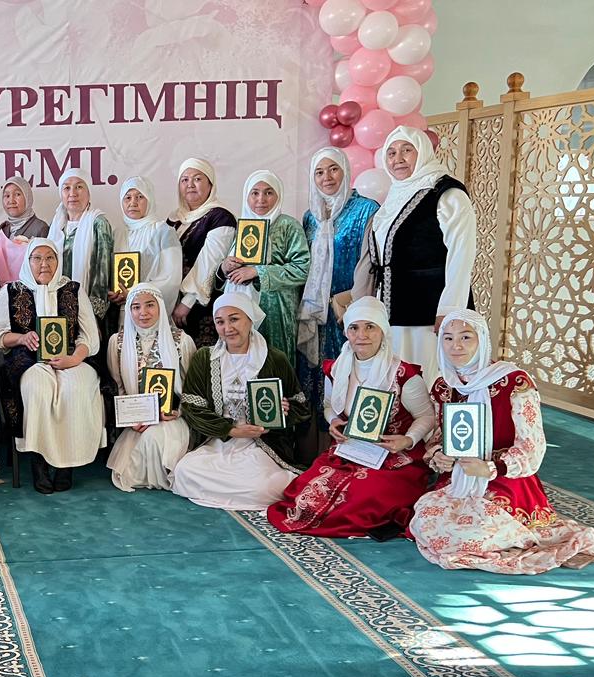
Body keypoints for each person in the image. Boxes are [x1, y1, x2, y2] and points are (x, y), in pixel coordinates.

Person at [409, 310, 594, 573]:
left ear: (482, 339)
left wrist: (491, 468)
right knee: (426, 519)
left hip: (506, 480)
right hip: (459, 479)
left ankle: (510, 537)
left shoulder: (514, 382)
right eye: (448, 338)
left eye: (466, 337)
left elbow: (532, 447)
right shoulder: (445, 386)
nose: (456, 346)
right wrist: (438, 456)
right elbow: (439, 438)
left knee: (475, 532)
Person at [267, 297, 433, 537]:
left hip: (395, 456)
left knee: (361, 495)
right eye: (354, 328)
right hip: (351, 449)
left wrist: (407, 440)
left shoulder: (404, 374)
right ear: (346, 332)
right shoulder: (337, 369)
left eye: (370, 327)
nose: (361, 335)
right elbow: (329, 406)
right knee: (307, 491)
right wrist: (333, 421)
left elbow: (426, 416)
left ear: (382, 331)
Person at [353, 126, 478, 379]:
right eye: (391, 153)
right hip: (392, 309)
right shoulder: (395, 195)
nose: (398, 159)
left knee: (428, 377)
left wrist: (450, 309)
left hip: (429, 311)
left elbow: (462, 253)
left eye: (407, 150)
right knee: (397, 379)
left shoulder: (446, 193)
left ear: (422, 152)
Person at [0, 238, 105, 493]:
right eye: (37, 258)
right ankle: (39, 462)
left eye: (50, 258)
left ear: (58, 261)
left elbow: (90, 337)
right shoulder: (11, 291)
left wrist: (75, 359)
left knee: (77, 387)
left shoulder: (73, 289)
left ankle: (66, 465)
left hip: (71, 358)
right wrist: (21, 338)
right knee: (39, 388)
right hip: (28, 360)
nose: (44, 264)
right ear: (27, 262)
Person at [171, 293, 310, 510]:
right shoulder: (204, 358)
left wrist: (283, 411)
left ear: (250, 319)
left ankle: (232, 491)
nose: (228, 328)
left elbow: (300, 405)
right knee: (184, 471)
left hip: (260, 445)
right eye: (220, 322)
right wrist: (231, 430)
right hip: (219, 441)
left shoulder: (274, 358)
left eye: (234, 319)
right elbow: (192, 407)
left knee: (264, 487)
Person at [295, 149, 381, 440]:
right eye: (319, 172)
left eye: (333, 169)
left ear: (345, 170)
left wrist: (354, 305)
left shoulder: (366, 209)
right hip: (315, 310)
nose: (327, 178)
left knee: (347, 370)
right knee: (314, 374)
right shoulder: (311, 215)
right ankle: (315, 448)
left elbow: (369, 261)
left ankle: (350, 443)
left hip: (347, 307)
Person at [106, 283, 196, 492]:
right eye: (136, 307)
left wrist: (177, 411)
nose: (143, 313)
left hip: (173, 418)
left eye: (149, 305)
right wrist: (130, 418)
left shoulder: (182, 341)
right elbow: (118, 386)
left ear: (160, 307)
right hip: (137, 421)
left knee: (153, 440)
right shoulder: (117, 342)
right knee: (129, 469)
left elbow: (192, 388)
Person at [216, 170, 310, 366]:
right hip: (239, 310)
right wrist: (225, 267)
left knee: (273, 363)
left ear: (278, 195)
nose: (261, 199)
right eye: (255, 193)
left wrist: (258, 271)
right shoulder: (242, 227)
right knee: (240, 363)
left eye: (268, 192)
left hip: (275, 310)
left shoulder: (288, 226)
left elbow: (302, 269)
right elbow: (228, 276)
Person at [169, 158, 237, 348]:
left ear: (210, 184)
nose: (190, 185)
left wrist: (187, 302)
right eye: (184, 180)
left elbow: (209, 262)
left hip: (200, 305)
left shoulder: (221, 217)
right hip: (172, 302)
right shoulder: (174, 219)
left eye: (197, 179)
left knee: (202, 356)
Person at [47, 168, 114, 322]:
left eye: (79, 187)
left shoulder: (98, 223)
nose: (73, 193)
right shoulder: (56, 226)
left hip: (88, 311)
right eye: (67, 188)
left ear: (89, 192)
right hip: (57, 308)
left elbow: (102, 272)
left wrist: (93, 315)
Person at [112, 176, 183, 323]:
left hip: (151, 313)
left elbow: (171, 278)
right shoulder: (117, 234)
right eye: (128, 197)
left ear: (149, 199)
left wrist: (136, 294)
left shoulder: (163, 231)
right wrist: (114, 293)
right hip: (123, 314)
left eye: (140, 197)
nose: (133, 203)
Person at [0, 176, 50, 240]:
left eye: (17, 194)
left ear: (27, 197)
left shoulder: (41, 228)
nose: (11, 201)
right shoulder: (2, 229)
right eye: (7, 196)